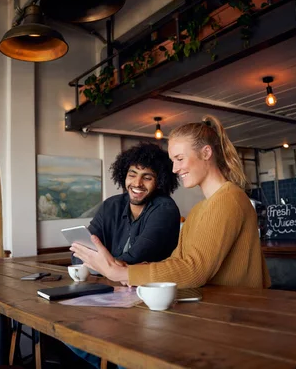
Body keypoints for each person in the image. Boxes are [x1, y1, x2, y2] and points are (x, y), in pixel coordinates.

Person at [71, 115, 271, 289]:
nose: (175, 169)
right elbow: (178, 261)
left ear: (206, 153)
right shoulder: (201, 208)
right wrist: (131, 269)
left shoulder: (229, 199)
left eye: (180, 159)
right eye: (173, 161)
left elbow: (195, 270)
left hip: (237, 315)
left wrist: (120, 273)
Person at [73, 142, 181, 266]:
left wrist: (100, 265)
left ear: (159, 182)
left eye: (147, 178)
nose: (137, 183)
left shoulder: (165, 209)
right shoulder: (111, 205)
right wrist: (103, 265)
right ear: (124, 176)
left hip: (149, 284)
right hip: (110, 282)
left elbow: (137, 257)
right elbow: (79, 254)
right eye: (132, 175)